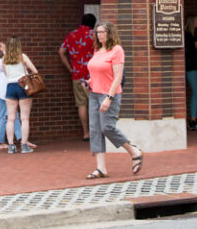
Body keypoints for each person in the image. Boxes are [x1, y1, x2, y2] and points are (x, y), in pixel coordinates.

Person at [84, 21, 144, 179]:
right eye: (98, 32)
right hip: (94, 94)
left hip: (109, 94)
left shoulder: (117, 50)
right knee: (95, 130)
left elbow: (117, 77)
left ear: (110, 33)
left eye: (103, 32)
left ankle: (134, 151)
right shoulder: (98, 50)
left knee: (107, 127)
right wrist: (89, 82)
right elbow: (97, 73)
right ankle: (101, 168)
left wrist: (109, 98)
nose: (100, 35)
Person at [57, 12, 96, 141]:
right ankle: (96, 132)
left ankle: (86, 133)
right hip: (92, 75)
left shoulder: (71, 35)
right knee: (94, 103)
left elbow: (61, 51)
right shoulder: (94, 35)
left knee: (81, 104)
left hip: (77, 75)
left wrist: (70, 68)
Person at [0, 37, 42, 153]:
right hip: (23, 86)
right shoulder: (23, 57)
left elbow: (5, 73)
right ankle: (24, 145)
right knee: (24, 118)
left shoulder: (4, 59)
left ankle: (11, 146)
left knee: (11, 118)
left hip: (10, 87)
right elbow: (35, 71)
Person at [184, 14, 197, 129]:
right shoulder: (191, 36)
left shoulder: (187, 35)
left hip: (190, 66)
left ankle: (193, 118)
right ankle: (192, 119)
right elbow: (196, 49)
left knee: (195, 92)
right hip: (191, 67)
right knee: (196, 92)